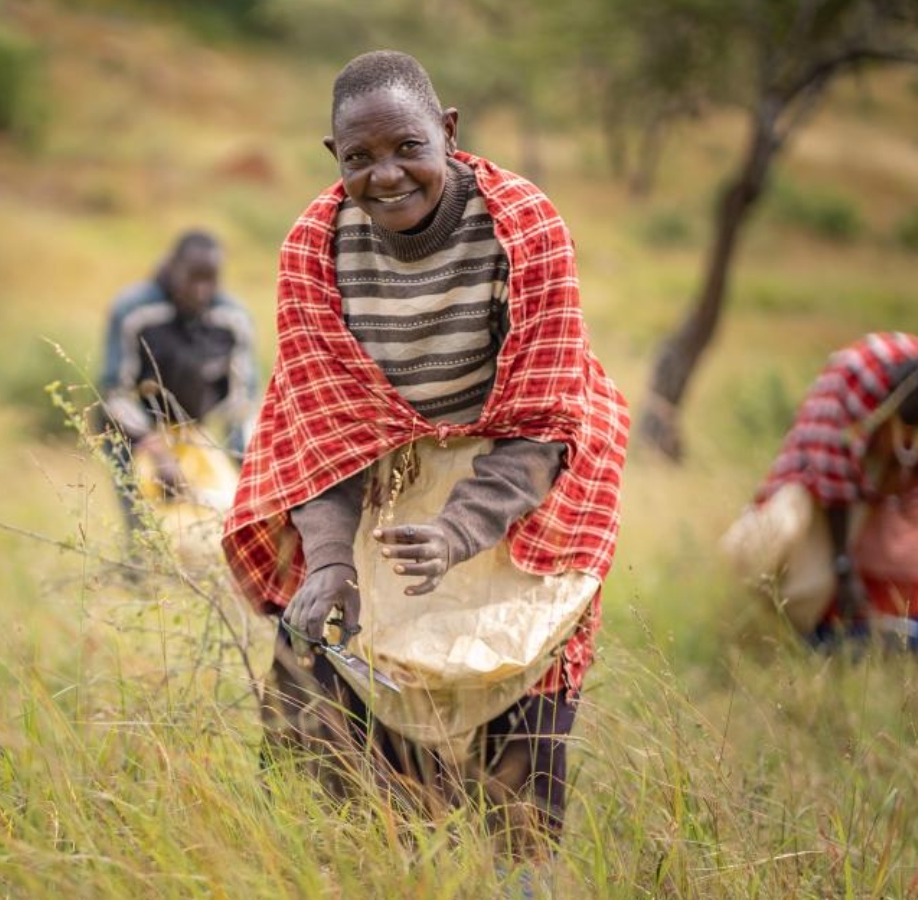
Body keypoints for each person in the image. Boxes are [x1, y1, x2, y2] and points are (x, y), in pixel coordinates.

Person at [222, 51, 629, 857]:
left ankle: (516, 872)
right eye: (359, 158)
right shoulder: (314, 244)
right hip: (379, 478)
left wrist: (456, 532)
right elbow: (320, 422)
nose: (387, 174)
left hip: (523, 478)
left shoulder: (524, 224)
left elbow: (546, 415)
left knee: (520, 688)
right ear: (333, 158)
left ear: (447, 132)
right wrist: (331, 561)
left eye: (408, 147)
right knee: (323, 674)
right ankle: (355, 862)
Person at [741, 332, 918, 653]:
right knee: (818, 564)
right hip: (829, 481)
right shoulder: (850, 388)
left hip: (897, 476)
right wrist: (843, 567)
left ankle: (902, 640)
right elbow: (832, 481)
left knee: (903, 552)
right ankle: (818, 638)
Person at [98, 229, 256, 531]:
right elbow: (115, 392)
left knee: (215, 518)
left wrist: (247, 462)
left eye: (210, 279)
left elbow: (241, 402)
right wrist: (156, 451)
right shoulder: (135, 311)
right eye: (193, 278)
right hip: (132, 431)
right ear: (172, 268)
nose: (201, 291)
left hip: (193, 430)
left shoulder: (232, 319)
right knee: (145, 524)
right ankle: (139, 571)